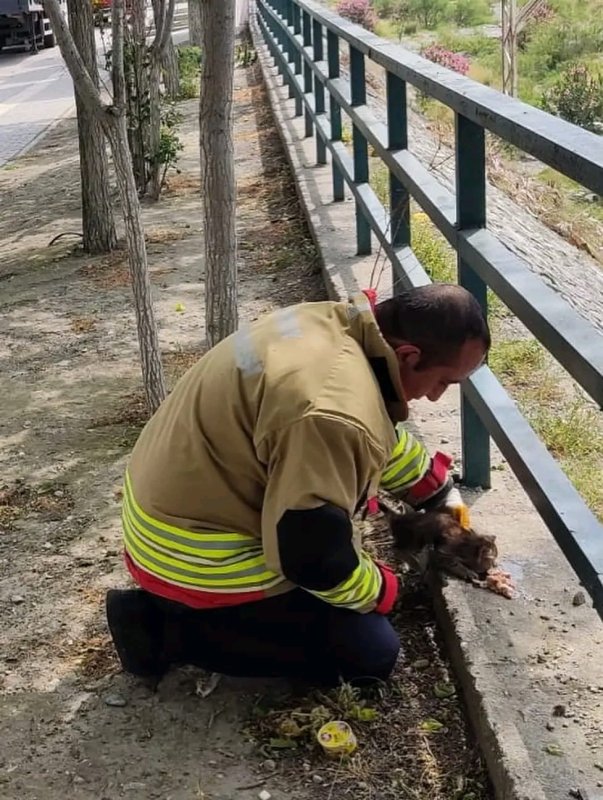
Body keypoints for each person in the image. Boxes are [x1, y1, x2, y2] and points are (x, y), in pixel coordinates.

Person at [106, 284, 490, 687]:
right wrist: (385, 590)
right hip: (195, 556)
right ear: (409, 356)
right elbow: (313, 559)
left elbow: (374, 428)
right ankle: (159, 629)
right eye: (444, 382)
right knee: (370, 652)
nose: (434, 397)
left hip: (164, 512)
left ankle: (185, 613)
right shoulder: (331, 412)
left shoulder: (330, 322)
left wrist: (434, 488)